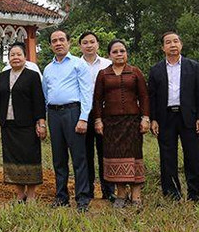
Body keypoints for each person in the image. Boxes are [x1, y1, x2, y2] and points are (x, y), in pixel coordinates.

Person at [148, 32, 199, 202]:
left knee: (193, 156)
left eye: (175, 41)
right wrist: (153, 119)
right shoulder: (156, 69)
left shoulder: (194, 67)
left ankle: (195, 194)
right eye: (168, 42)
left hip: (189, 117)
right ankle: (171, 193)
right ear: (163, 47)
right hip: (165, 117)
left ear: (181, 45)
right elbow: (151, 97)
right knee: (167, 157)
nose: (172, 45)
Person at [92, 39, 150, 208]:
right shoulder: (103, 74)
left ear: (126, 53)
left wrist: (145, 118)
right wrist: (98, 120)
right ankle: (121, 194)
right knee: (115, 157)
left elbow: (144, 96)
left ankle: (136, 195)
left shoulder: (135, 72)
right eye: (115, 52)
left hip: (132, 122)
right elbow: (97, 99)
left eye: (122, 51)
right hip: (111, 123)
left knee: (134, 156)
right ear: (109, 55)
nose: (119, 54)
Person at [42, 30, 94, 211]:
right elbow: (45, 95)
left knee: (79, 158)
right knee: (59, 158)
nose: (58, 43)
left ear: (69, 43)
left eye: (61, 40)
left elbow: (87, 93)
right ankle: (61, 196)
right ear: (50, 45)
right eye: (54, 40)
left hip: (73, 112)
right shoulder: (48, 69)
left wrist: (83, 118)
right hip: (54, 115)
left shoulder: (79, 64)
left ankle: (82, 198)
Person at [0, 42, 47, 203]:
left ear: (25, 57)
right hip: (8, 124)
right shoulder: (2, 76)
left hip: (28, 125)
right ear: (8, 58)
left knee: (30, 157)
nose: (15, 58)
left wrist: (41, 123)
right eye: (12, 55)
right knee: (12, 158)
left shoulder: (32, 76)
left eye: (18, 54)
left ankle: (31, 194)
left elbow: (39, 101)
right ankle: (19, 194)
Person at [78, 31, 115, 202]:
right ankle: (88, 189)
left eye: (92, 42)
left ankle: (109, 190)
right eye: (85, 42)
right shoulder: (75, 65)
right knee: (85, 153)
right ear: (80, 46)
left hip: (105, 113)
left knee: (105, 152)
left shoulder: (108, 64)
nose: (89, 45)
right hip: (83, 114)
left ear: (98, 44)